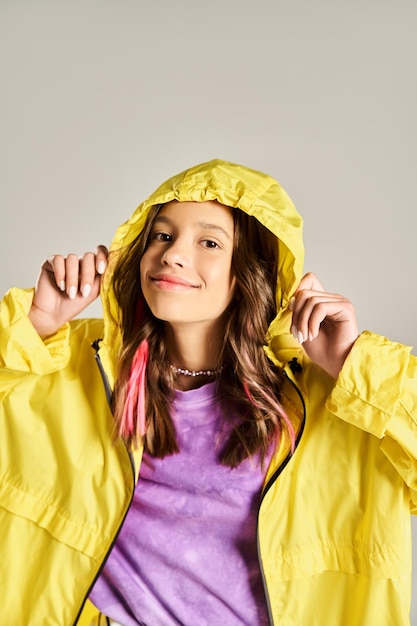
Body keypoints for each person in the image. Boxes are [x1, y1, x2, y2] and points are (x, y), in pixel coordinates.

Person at [0, 159, 416, 626]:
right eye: (162, 235)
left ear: (250, 273)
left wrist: (355, 363)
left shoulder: (329, 399)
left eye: (210, 242)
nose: (174, 254)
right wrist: (32, 325)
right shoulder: (70, 361)